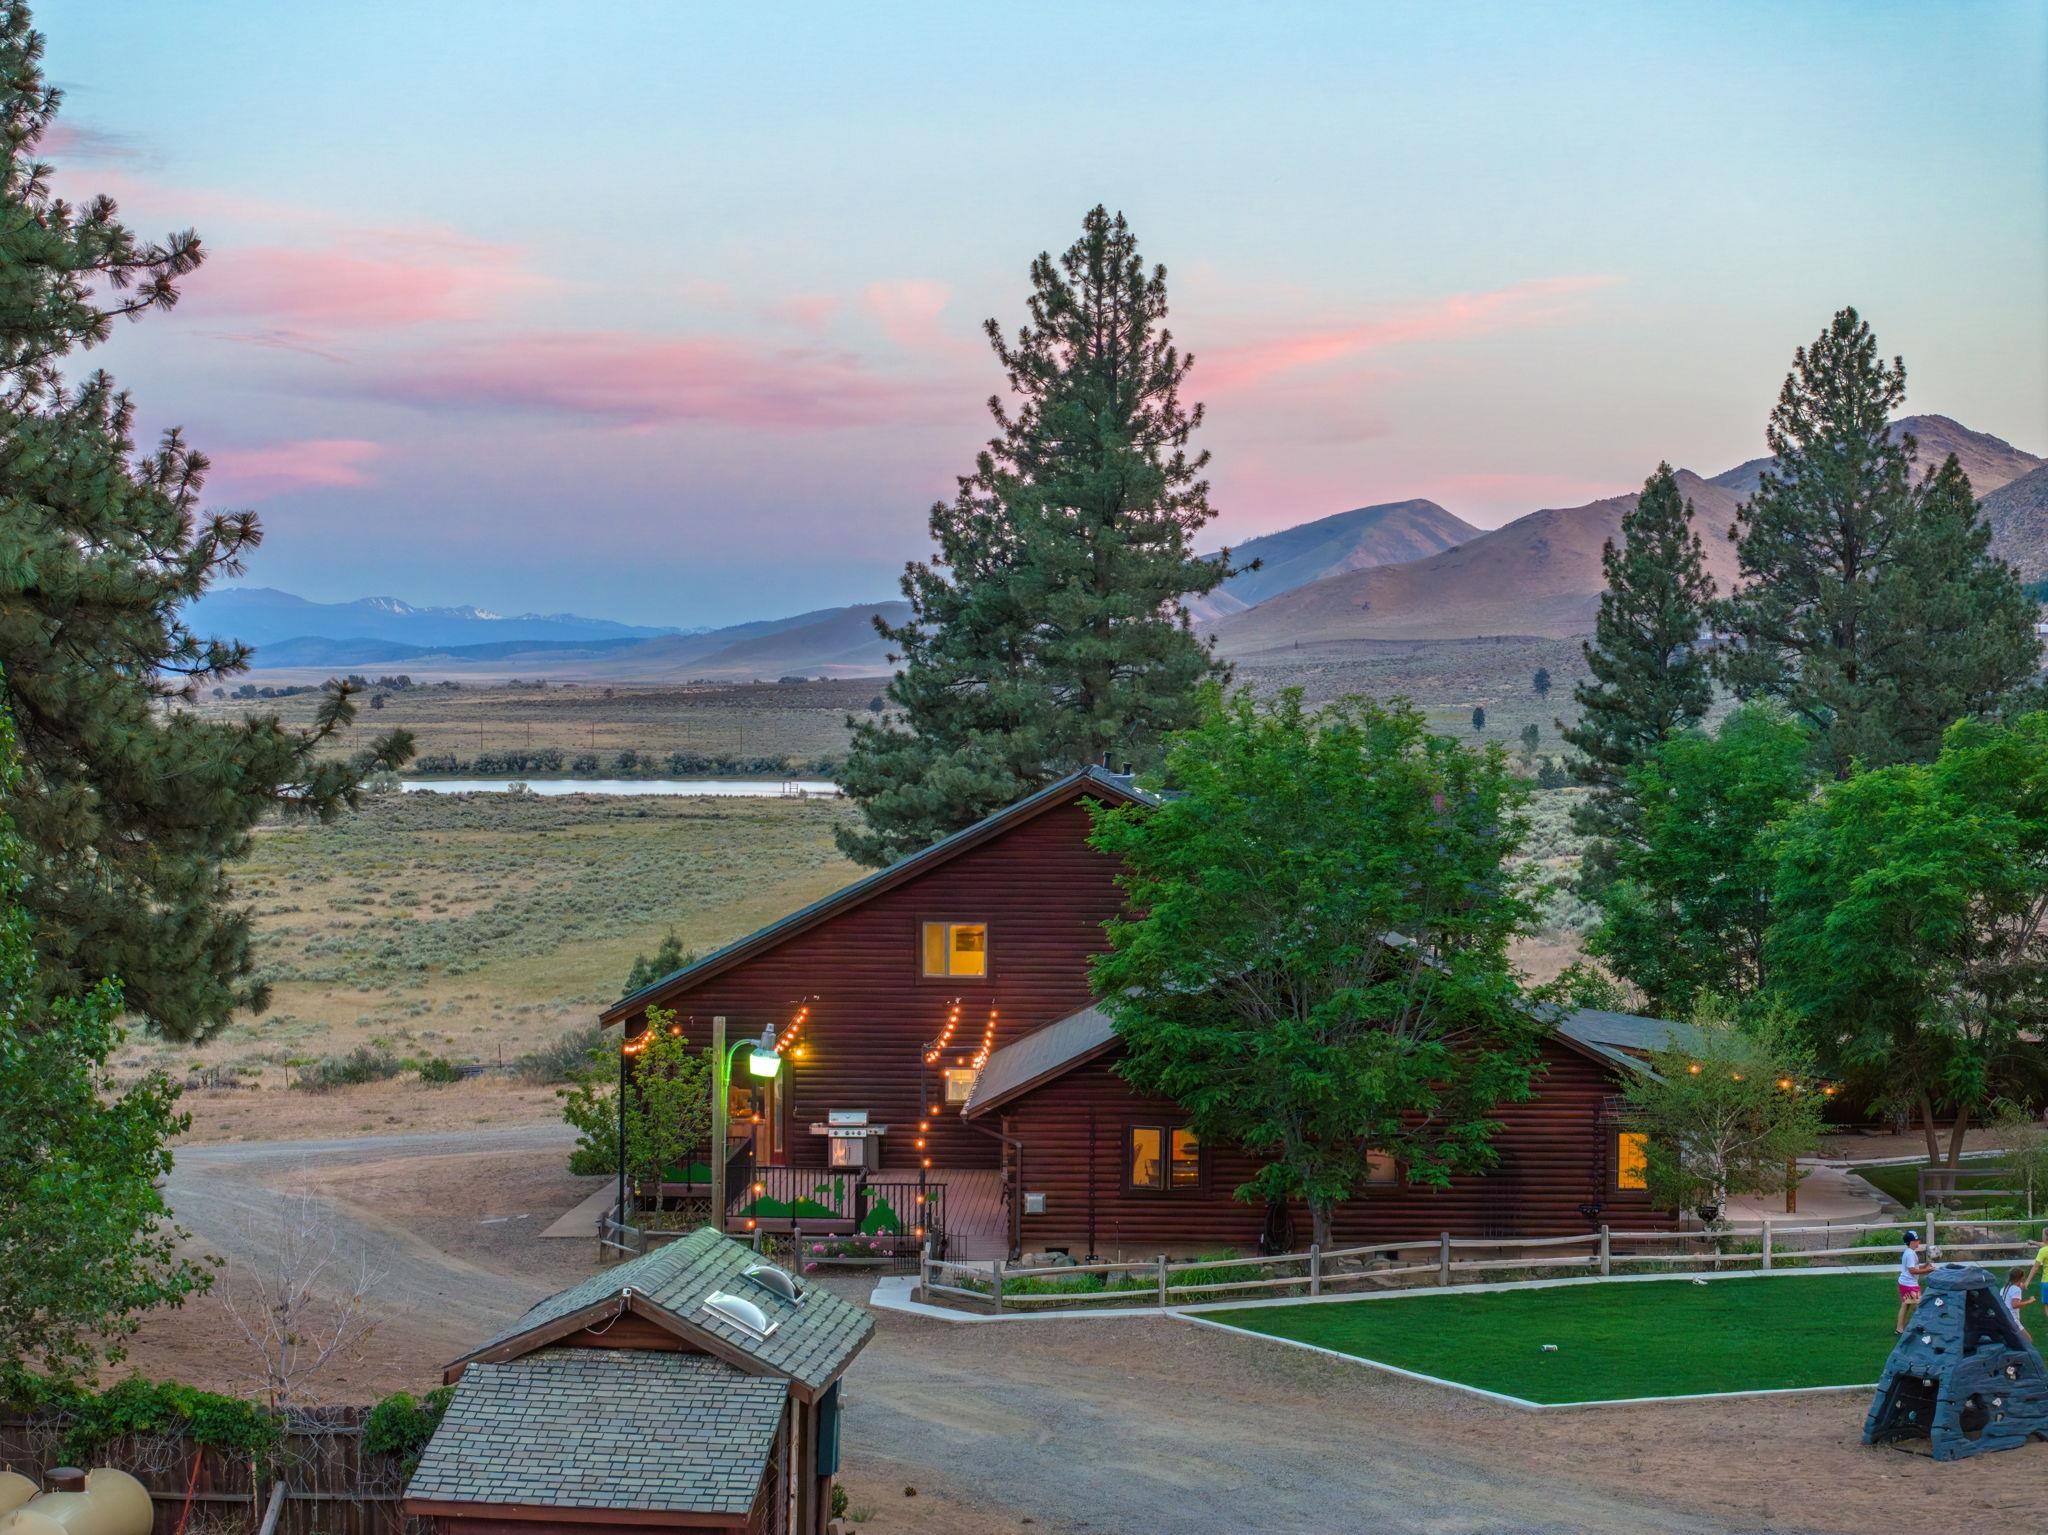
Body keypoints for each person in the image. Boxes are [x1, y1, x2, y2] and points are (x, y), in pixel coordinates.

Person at [1896, 1232, 1934, 1334]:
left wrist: (1925, 1265)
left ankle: (1899, 1329)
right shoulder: (1910, 1254)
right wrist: (1928, 1271)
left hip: (1904, 1283)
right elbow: (1912, 1271)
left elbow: (1914, 1267)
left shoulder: (1909, 1252)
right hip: (1910, 1285)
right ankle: (1922, 1327)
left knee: (1905, 1305)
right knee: (1920, 1306)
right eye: (1916, 1240)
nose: (1918, 1242)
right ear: (1911, 1242)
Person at [2003, 1267, 2033, 1340]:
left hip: (2005, 1316)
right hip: (2012, 1318)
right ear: (2021, 1278)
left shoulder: (2005, 1287)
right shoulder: (2016, 1290)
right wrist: (2029, 1301)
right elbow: (2014, 1305)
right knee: (2028, 1340)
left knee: (2014, 1341)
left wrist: (2021, 1286)